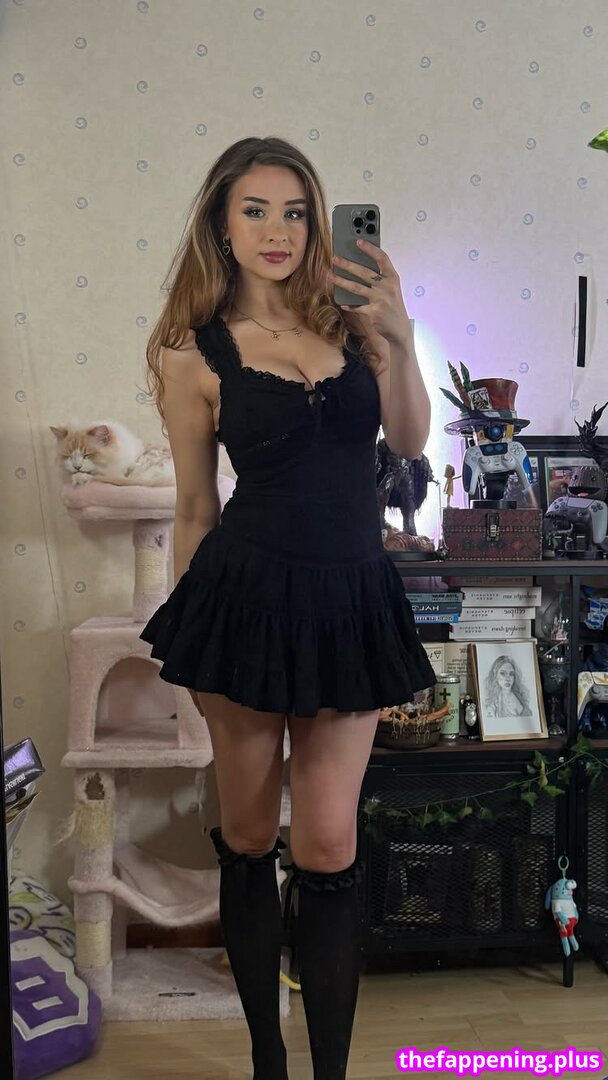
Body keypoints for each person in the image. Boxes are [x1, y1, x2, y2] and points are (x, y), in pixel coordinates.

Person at [140, 135, 435, 1080]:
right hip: (245, 605)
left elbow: (409, 440)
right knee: (246, 835)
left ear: (318, 224)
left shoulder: (354, 326)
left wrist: (401, 332)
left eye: (296, 211)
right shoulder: (191, 353)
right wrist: (195, 646)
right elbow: (196, 508)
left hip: (352, 601)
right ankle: (270, 1061)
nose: (277, 230)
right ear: (222, 226)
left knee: (329, 842)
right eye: (256, 210)